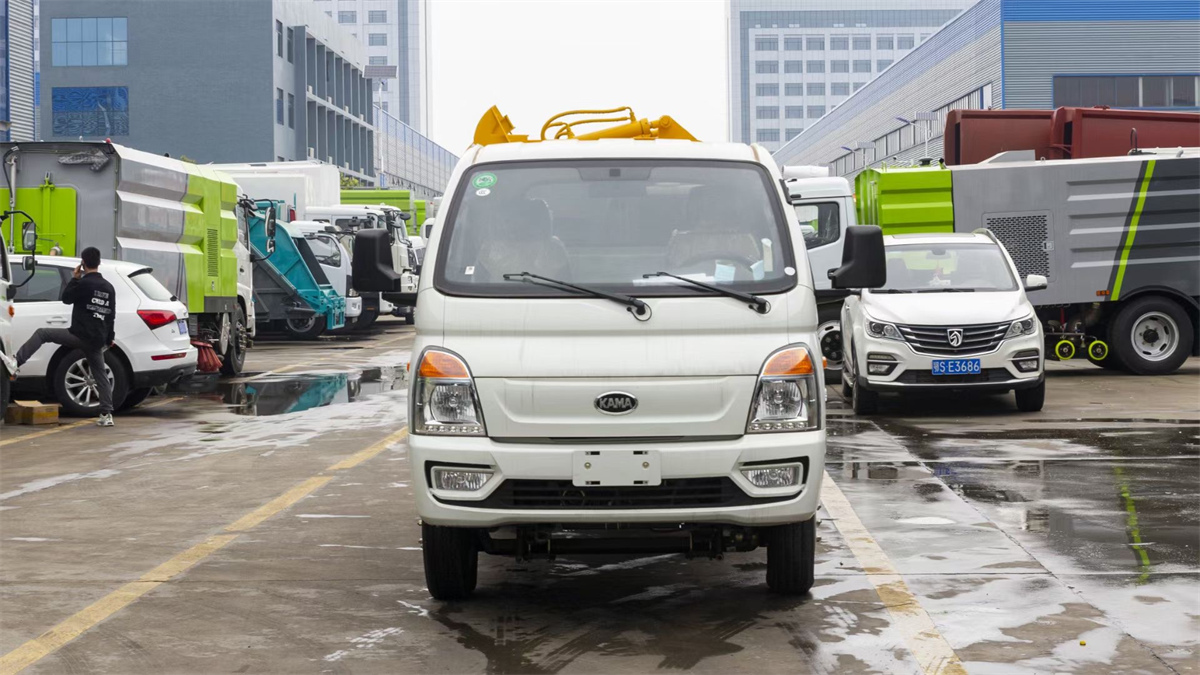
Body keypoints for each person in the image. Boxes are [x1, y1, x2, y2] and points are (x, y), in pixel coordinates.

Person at [12, 247, 117, 426]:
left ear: (83, 263)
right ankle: (106, 415)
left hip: (78, 335)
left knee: (43, 333)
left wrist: (75, 278)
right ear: (99, 263)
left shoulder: (83, 283)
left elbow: (66, 298)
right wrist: (109, 338)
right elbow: (111, 315)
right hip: (97, 339)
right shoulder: (109, 287)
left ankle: (16, 362)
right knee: (100, 375)